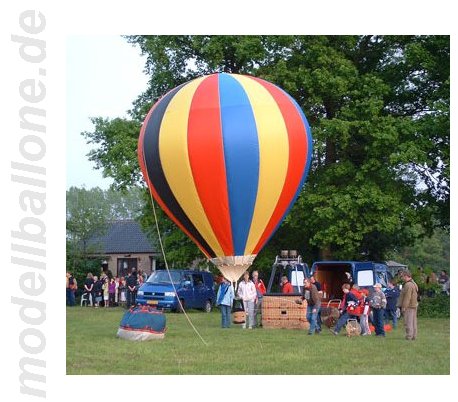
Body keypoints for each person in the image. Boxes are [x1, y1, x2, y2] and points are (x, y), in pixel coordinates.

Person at [397, 270, 419, 341]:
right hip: (413, 305)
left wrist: (404, 307)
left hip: (409, 306)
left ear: (406, 276)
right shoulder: (413, 283)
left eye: (402, 276)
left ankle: (409, 336)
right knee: (413, 322)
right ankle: (413, 336)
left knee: (408, 322)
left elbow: (407, 297)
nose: (401, 278)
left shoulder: (408, 285)